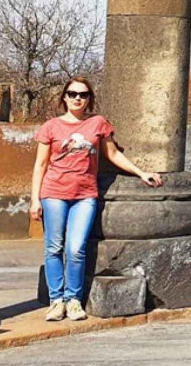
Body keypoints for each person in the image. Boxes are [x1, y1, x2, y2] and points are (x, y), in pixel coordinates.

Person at [30, 78, 162, 321]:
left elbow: (112, 154)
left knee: (76, 248)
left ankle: (73, 300)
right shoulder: (51, 126)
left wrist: (142, 172)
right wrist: (34, 200)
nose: (77, 98)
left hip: (84, 195)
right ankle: (56, 300)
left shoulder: (97, 124)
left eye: (83, 94)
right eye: (72, 94)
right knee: (54, 248)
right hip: (54, 193)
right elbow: (40, 164)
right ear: (64, 98)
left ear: (90, 98)